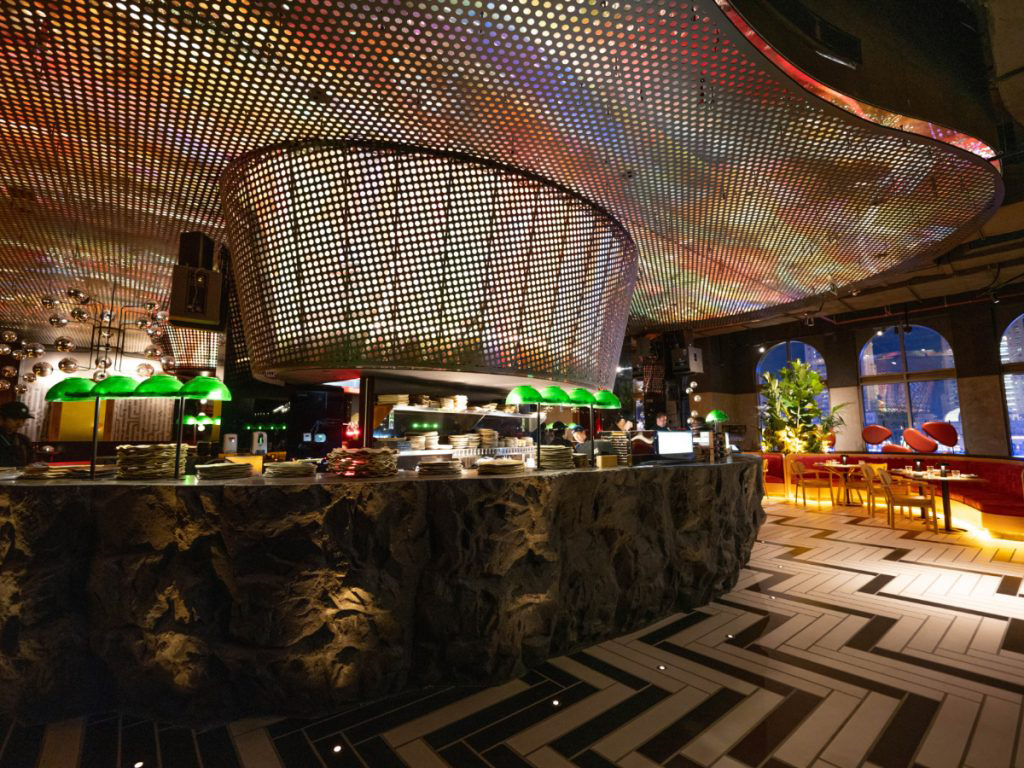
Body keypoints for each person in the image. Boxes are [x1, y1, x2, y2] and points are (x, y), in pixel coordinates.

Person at [0, 401, 34, 467]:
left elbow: (31, 461)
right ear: (1, 418)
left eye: (23, 420)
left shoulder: (24, 440)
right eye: (15, 419)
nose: (20, 424)